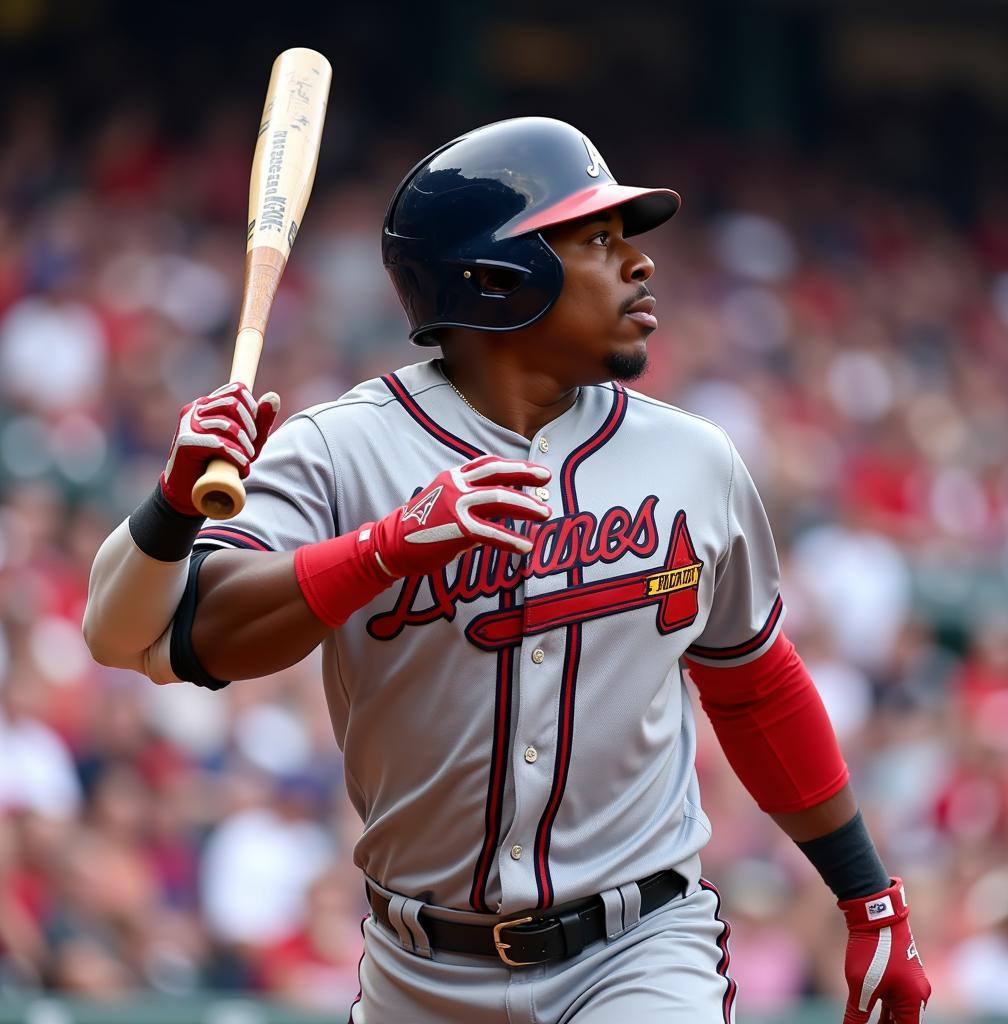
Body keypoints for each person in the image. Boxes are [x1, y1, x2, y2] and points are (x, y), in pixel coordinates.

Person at [83, 117, 932, 1022]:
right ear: (494, 281)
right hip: (418, 967)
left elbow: (753, 685)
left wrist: (866, 895)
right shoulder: (340, 450)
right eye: (597, 240)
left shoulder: (696, 461)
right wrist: (384, 549)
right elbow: (192, 634)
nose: (640, 264)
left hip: (639, 948)